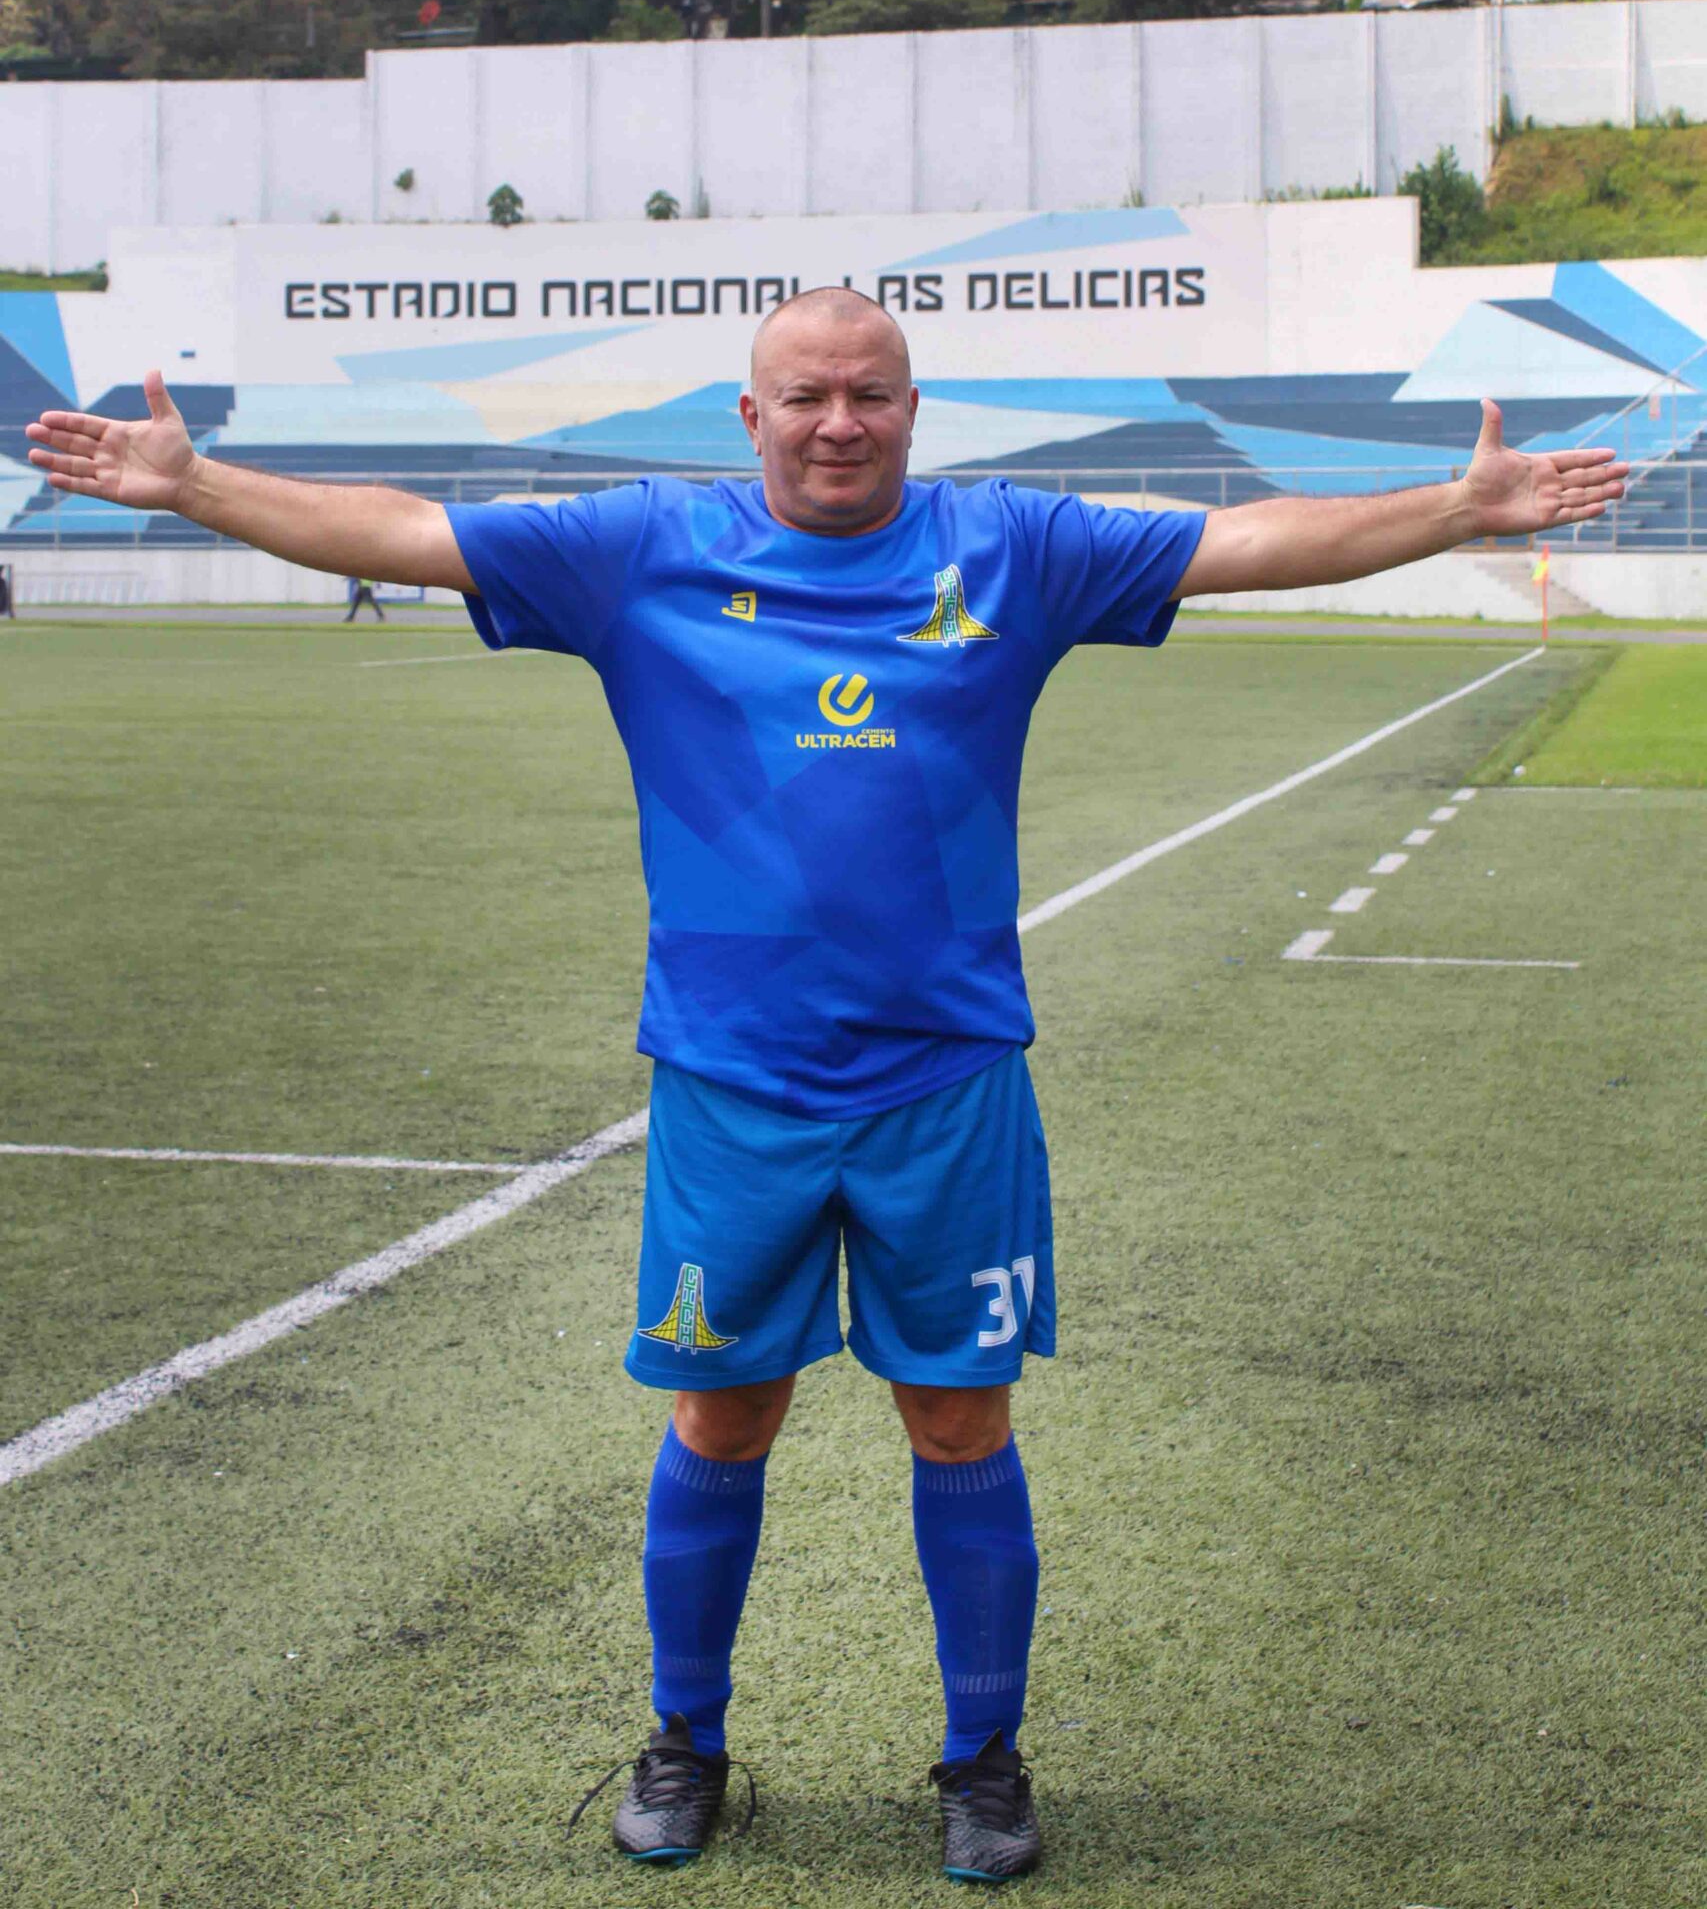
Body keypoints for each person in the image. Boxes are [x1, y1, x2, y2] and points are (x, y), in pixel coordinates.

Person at [26, 294, 1625, 1883]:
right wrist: (195, 485)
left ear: (915, 410)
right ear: (753, 415)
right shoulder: (643, 546)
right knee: (723, 1414)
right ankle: (685, 1742)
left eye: (870, 394)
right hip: (735, 1086)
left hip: (948, 1081)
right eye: (806, 396)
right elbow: (405, 531)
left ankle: (984, 1762)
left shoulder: (1010, 547)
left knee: (960, 1417)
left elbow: (1245, 543)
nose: (839, 422)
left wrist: (1454, 510)